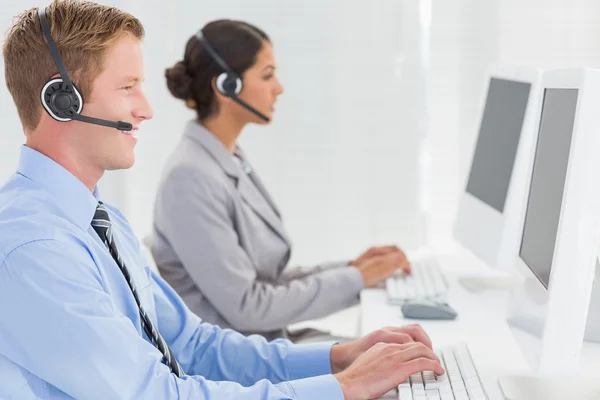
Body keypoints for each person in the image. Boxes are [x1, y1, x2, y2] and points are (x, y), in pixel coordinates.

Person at [0, 1, 444, 399]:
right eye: (127, 87)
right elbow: (152, 396)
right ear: (62, 102)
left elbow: (194, 346)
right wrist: (342, 389)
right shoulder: (36, 249)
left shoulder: (100, 220)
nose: (147, 109)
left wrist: (339, 359)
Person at [152, 19, 412, 341]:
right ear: (226, 86)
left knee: (400, 350)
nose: (279, 87)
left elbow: (266, 280)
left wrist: (351, 269)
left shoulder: (227, 158)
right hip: (241, 358)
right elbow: (249, 305)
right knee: (397, 362)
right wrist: (356, 279)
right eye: (267, 75)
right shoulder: (190, 177)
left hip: (266, 340)